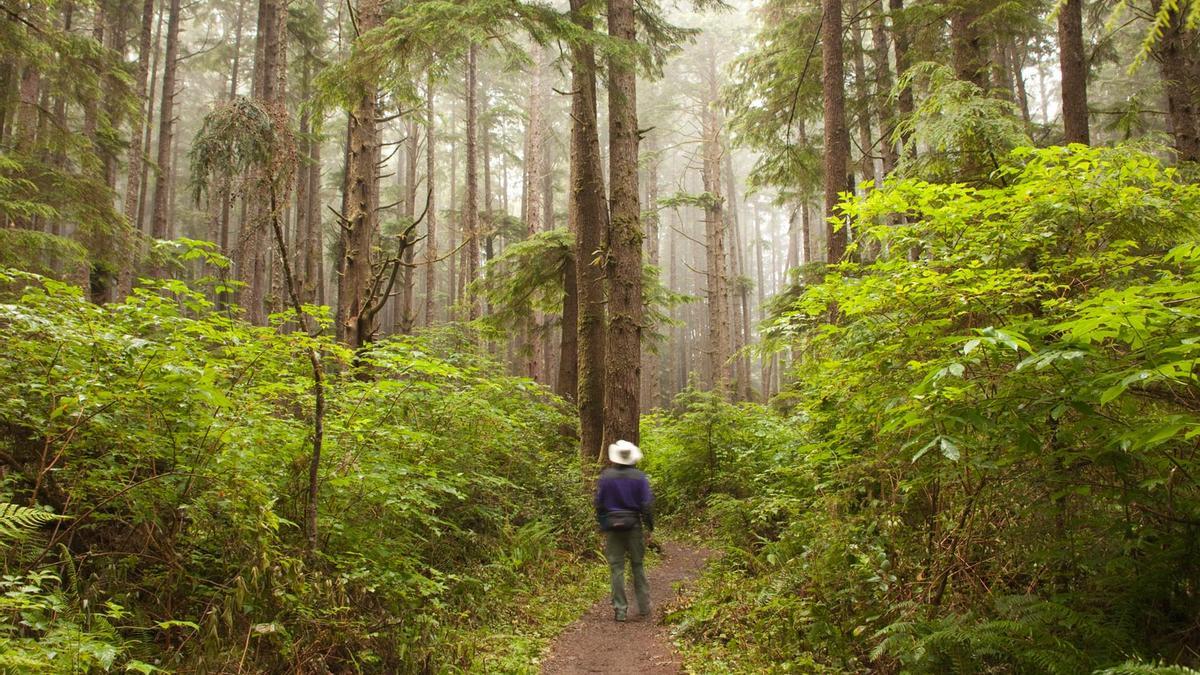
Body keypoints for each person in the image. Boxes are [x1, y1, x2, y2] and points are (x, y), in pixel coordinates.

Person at [594, 439, 654, 622]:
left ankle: (620, 610)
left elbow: (599, 503)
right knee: (637, 565)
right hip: (634, 525)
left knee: (617, 568)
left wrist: (602, 523)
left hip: (613, 527)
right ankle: (643, 607)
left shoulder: (606, 476)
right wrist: (650, 525)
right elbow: (646, 504)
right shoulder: (639, 477)